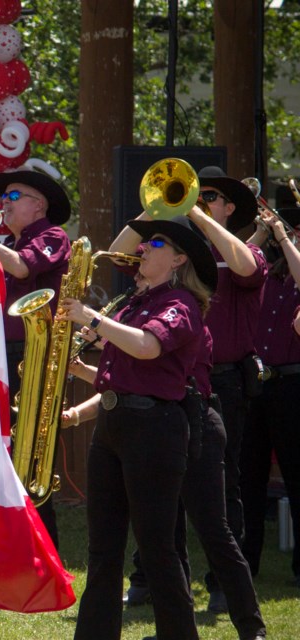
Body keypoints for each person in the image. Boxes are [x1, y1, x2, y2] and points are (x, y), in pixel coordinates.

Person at [111, 166, 266, 612]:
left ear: (228, 207)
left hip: (219, 383)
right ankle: (153, 578)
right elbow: (114, 255)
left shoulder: (232, 248)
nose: (199, 200)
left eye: (210, 195)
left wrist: (197, 216)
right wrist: (155, 209)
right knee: (157, 488)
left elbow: (245, 265)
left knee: (220, 488)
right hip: (160, 380)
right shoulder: (167, 252)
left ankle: (223, 586)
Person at [60, 215, 216, 640]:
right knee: (102, 550)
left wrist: (91, 318)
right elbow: (123, 378)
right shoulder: (133, 300)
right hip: (115, 423)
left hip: (155, 429)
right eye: (147, 242)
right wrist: (75, 370)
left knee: (157, 549)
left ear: (180, 258)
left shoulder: (181, 304)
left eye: (158, 243)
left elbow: (147, 348)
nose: (144, 248)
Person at [0, 168, 72, 549]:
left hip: (32, 355)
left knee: (32, 454)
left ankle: (42, 547)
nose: (5, 201)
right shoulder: (7, 239)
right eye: (5, 196)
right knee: (2, 448)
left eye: (15, 196)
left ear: (40, 205)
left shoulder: (52, 235)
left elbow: (22, 266)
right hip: (1, 352)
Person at [240, 206, 300, 587]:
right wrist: (264, 233)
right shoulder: (272, 275)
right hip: (255, 382)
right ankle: (245, 564)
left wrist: (282, 237)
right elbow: (230, 269)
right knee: (247, 478)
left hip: (294, 385)